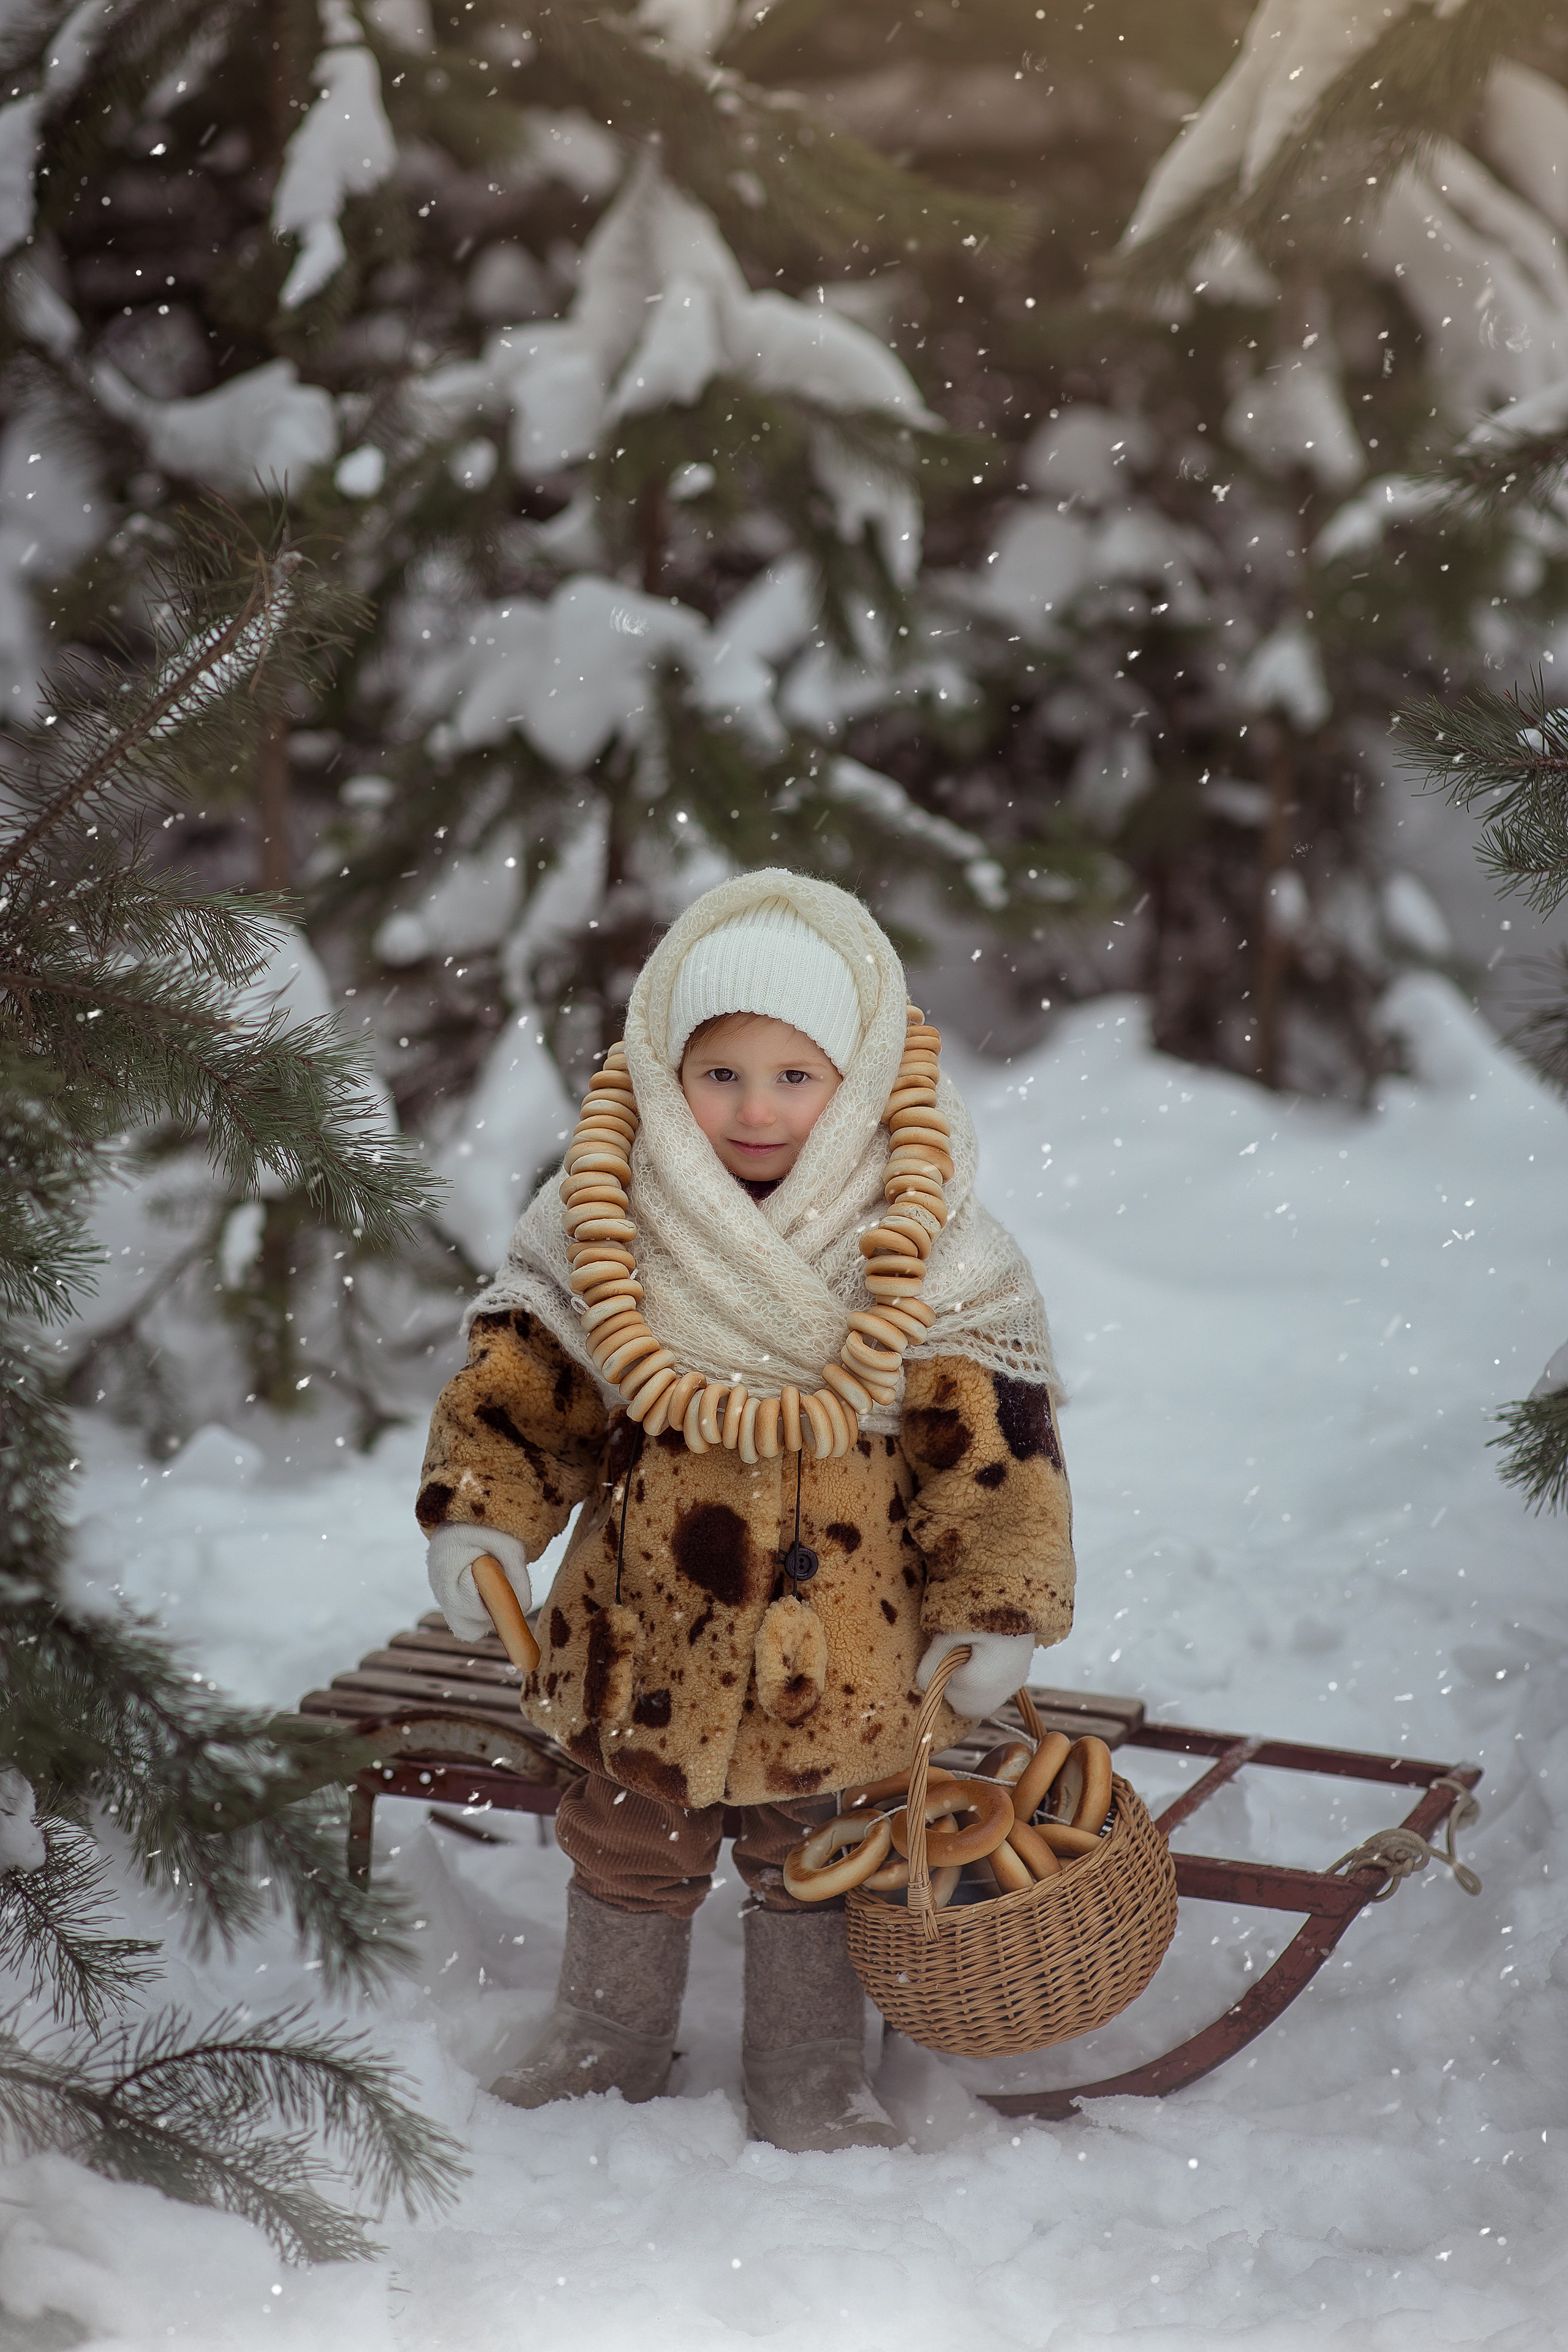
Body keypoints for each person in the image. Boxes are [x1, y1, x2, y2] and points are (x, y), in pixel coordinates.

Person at [415, 870, 1075, 2152]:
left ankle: (809, 2064)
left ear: (860, 1075)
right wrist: (481, 1514)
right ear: (665, 1073)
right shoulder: (610, 1214)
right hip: (646, 1615)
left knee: (816, 1848)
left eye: (794, 1075)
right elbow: (526, 1385)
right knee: (623, 1831)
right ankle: (605, 2031)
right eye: (720, 1076)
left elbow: (991, 1443)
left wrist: (994, 1602)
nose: (756, 1109)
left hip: (841, 1630)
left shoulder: (929, 1236)